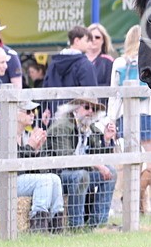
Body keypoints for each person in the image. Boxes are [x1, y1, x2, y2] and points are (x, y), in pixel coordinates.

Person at [106, 26, 151, 214]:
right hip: (149, 114)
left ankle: (136, 204)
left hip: (125, 117)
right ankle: (135, 197)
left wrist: (110, 119)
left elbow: (114, 95)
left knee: (133, 165)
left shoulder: (120, 62)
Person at [0, 99, 66, 232]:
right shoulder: (0, 135)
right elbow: (9, 168)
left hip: (15, 180)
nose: (32, 114)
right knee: (45, 181)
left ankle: (56, 229)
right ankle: (39, 229)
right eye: (28, 111)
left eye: (34, 111)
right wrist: (30, 148)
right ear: (14, 113)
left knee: (55, 179)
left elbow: (31, 169)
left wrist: (36, 151)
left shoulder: (24, 135)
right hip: (0, 186)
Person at [47, 97, 118, 229]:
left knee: (111, 172)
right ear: (75, 108)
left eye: (94, 109)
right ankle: (76, 226)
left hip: (80, 173)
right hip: (57, 177)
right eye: (86, 107)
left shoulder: (89, 127)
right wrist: (94, 164)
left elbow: (100, 157)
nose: (90, 111)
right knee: (81, 175)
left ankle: (98, 225)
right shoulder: (62, 126)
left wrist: (106, 140)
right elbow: (66, 160)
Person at [42, 26, 98, 109]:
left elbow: (45, 89)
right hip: (78, 115)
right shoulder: (85, 65)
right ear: (77, 41)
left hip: (55, 114)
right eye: (87, 40)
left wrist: (46, 110)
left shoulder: (53, 64)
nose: (90, 44)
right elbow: (92, 94)